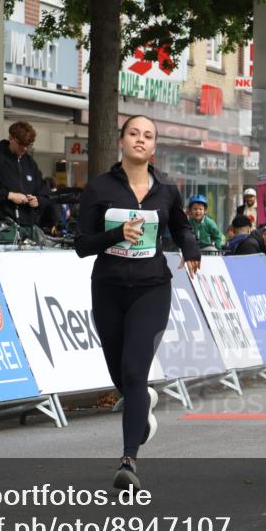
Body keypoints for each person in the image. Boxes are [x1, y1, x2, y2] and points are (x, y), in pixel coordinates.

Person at [74, 115, 201, 490]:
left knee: (134, 370)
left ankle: (128, 460)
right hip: (109, 289)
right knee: (121, 377)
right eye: (134, 134)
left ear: (154, 146)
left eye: (148, 136)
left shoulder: (166, 189)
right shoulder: (99, 188)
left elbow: (180, 226)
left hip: (152, 288)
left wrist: (191, 249)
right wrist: (116, 234)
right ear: (122, 141)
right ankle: (140, 406)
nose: (140, 140)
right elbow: (82, 245)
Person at [0, 121, 50, 239]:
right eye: (20, 144)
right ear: (11, 138)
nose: (24, 149)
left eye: (27, 145)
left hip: (28, 227)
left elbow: (45, 192)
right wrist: (9, 195)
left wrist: (38, 200)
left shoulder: (30, 164)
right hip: (3, 226)